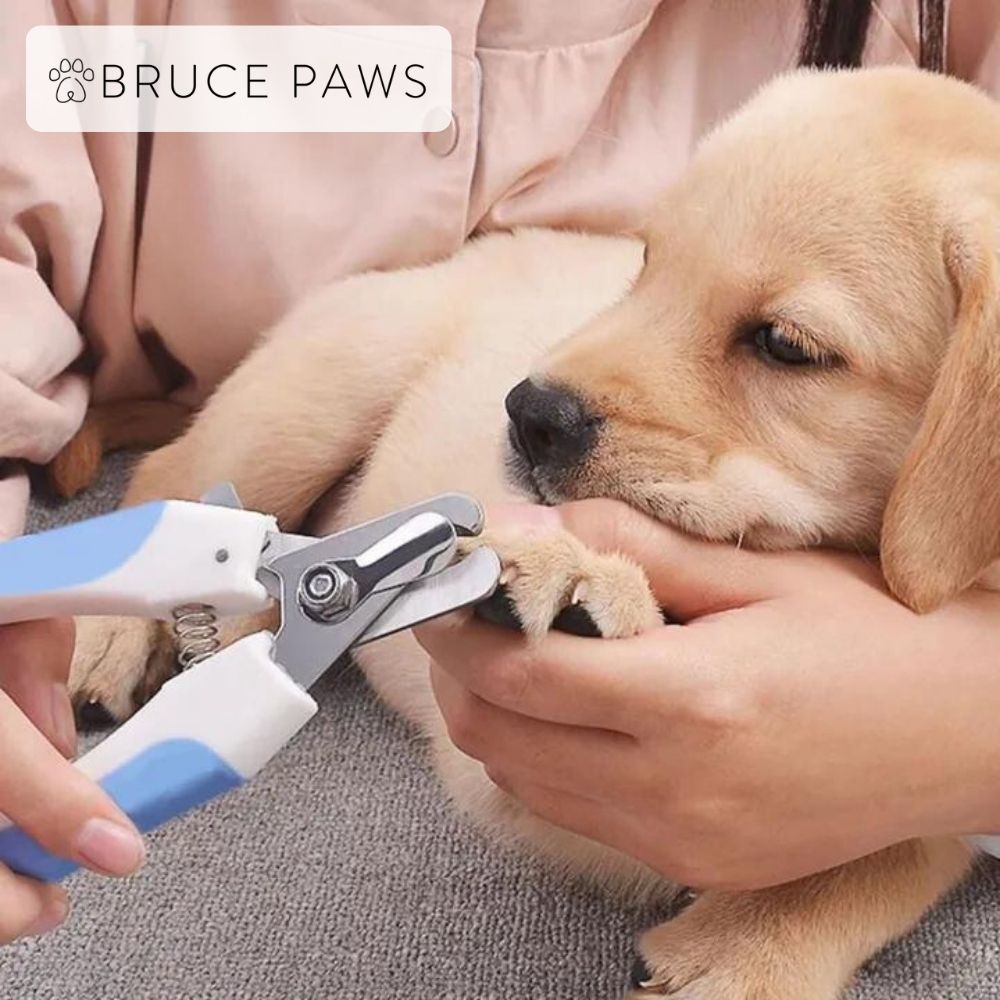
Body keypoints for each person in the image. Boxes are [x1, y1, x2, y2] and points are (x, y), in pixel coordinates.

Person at [1, 0, 997, 941]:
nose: (551, 391)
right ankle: (182, 536)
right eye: (646, 262)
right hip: (417, 340)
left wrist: (959, 729)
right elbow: (505, 766)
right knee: (366, 337)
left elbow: (926, 824)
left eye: (782, 343)